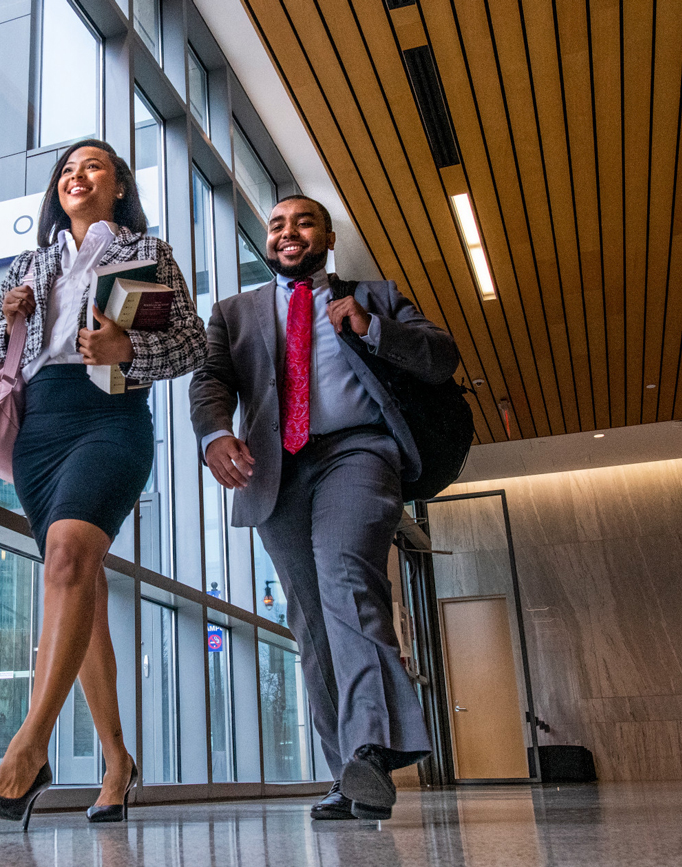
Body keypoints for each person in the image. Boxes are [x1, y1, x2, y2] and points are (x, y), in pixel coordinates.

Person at [189, 195, 459, 820]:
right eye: (277, 225)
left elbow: (442, 356)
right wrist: (214, 435)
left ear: (327, 237)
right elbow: (210, 381)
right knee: (310, 619)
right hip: (276, 468)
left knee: (346, 578)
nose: (288, 232)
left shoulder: (376, 295)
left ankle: (370, 745)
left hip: (359, 452)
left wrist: (372, 328)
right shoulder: (234, 312)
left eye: (303, 222)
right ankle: (353, 776)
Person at [0, 139, 206, 828]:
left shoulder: (146, 253)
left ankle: (29, 748)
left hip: (111, 418)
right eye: (67, 170)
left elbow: (190, 344)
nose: (77, 176)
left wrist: (129, 348)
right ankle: (117, 762)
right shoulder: (31, 261)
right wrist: (5, 318)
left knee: (68, 556)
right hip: (41, 431)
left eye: (92, 166)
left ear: (119, 185)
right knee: (84, 589)